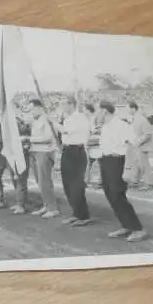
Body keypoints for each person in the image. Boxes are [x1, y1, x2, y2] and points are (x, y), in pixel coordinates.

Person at [97, 100, 147, 242]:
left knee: (117, 194)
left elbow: (134, 143)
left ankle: (138, 229)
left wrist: (129, 165)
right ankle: (126, 225)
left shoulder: (122, 125)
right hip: (105, 161)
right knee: (110, 194)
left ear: (104, 111)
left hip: (117, 162)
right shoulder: (105, 127)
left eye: (97, 110)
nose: (96, 113)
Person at [51, 96, 91, 226]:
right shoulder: (68, 118)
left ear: (72, 104)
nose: (62, 106)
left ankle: (83, 216)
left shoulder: (79, 117)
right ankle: (76, 213)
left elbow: (66, 131)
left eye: (64, 104)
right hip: (67, 151)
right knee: (67, 183)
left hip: (77, 152)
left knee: (76, 185)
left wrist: (53, 122)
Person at [27, 99, 61, 219]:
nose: (30, 112)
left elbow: (47, 137)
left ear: (39, 108)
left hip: (45, 152)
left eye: (32, 109)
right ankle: (46, 205)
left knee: (45, 181)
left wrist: (29, 139)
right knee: (40, 181)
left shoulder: (48, 119)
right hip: (36, 151)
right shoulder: (35, 121)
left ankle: (53, 208)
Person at [128, 101, 153, 191]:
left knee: (144, 165)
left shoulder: (142, 119)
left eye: (128, 108)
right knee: (136, 164)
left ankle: (149, 184)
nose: (127, 110)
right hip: (136, 146)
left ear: (133, 108)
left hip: (142, 146)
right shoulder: (134, 119)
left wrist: (138, 143)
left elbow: (148, 134)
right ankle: (135, 181)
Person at [84, 103, 103, 187]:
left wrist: (93, 132)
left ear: (87, 110)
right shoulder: (89, 118)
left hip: (96, 142)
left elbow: (99, 129)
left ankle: (100, 181)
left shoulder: (95, 118)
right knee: (89, 162)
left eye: (85, 110)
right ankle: (86, 180)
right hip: (92, 142)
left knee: (99, 162)